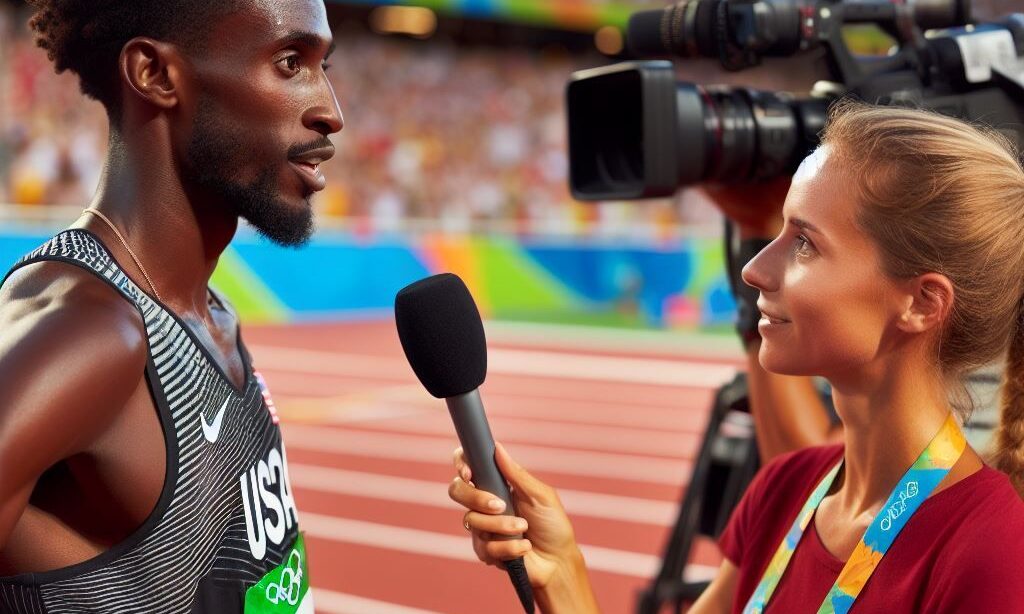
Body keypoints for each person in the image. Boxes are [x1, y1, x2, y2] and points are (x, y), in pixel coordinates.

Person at [448, 102, 1024, 613]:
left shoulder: (991, 552)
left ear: (922, 302)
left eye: (804, 242)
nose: (754, 269)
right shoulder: (783, 489)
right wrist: (563, 569)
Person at [0, 0, 342, 611]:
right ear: (156, 76)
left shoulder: (213, 314)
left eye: (324, 65)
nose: (331, 112)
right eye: (291, 62)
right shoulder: (84, 330)